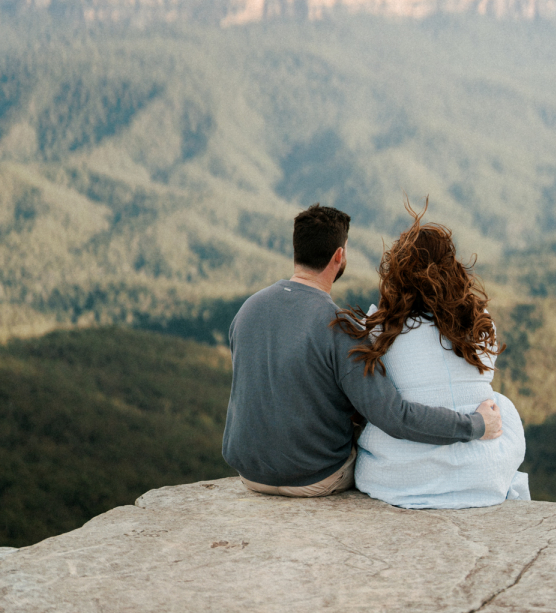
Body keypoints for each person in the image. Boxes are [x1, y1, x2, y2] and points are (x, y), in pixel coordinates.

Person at [222, 202, 502, 496]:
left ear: (297, 251)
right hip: (315, 477)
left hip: (250, 473)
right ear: (339, 256)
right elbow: (394, 417)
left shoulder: (247, 310)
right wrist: (476, 425)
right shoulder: (340, 328)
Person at [341, 203, 530, 508]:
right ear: (451, 268)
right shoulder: (480, 323)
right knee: (500, 404)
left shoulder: (380, 331)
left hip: (400, 480)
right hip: (482, 476)